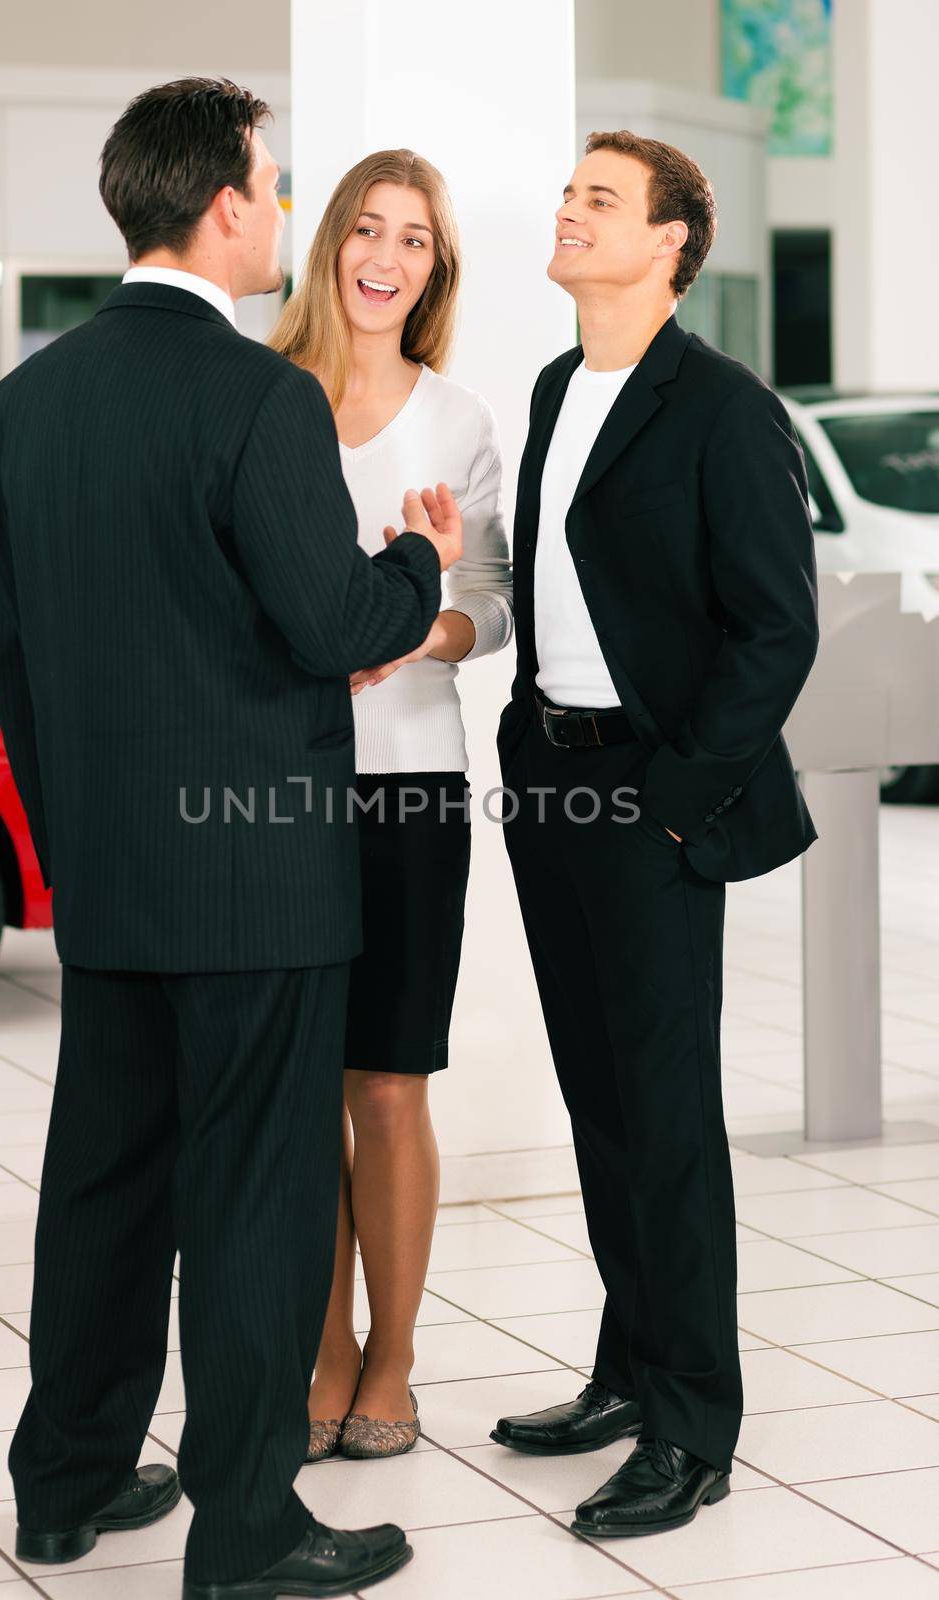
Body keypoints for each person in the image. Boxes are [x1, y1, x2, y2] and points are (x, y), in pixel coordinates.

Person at [0, 77, 465, 1600]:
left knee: (104, 1185)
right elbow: (329, 626)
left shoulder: (21, 403)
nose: (281, 208)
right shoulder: (262, 395)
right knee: (250, 1205)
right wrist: (414, 555)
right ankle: (247, 1534)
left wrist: (71, 850)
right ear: (228, 205)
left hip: (112, 874)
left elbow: (14, 661)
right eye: (275, 181)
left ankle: (65, 1483)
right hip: (257, 880)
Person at [489, 130, 819, 1539]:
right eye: (568, 192)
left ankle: (692, 1423)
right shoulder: (559, 383)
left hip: (647, 794)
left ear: (671, 243)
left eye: (599, 200)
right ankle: (627, 1367)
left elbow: (773, 628)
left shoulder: (722, 407)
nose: (567, 212)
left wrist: (672, 798)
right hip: (548, 780)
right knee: (601, 1102)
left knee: (668, 1122)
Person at [270, 151, 512, 1462]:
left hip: (409, 784)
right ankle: (320, 1352)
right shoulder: (260, 398)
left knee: (388, 1088)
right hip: (271, 784)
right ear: (329, 247)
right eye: (365, 229)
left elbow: (491, 605)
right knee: (299, 1087)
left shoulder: (458, 420)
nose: (383, 256)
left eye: (411, 240)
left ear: (434, 269)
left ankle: (393, 1359)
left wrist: (417, 635)